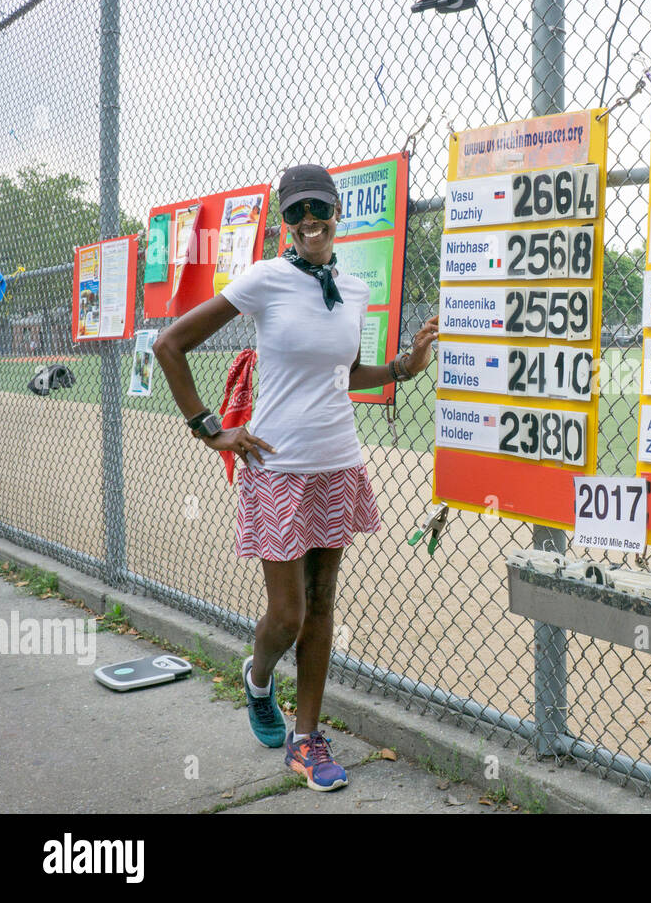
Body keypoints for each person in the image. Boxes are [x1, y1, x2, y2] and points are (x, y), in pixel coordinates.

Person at [154, 164, 438, 792]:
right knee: (287, 615)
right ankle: (258, 680)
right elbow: (169, 344)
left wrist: (403, 367)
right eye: (297, 212)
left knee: (325, 604)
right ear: (286, 219)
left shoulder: (354, 289)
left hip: (337, 464)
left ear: (339, 214)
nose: (310, 222)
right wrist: (209, 428)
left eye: (320, 209)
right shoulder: (265, 280)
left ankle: (305, 739)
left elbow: (347, 373)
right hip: (276, 468)